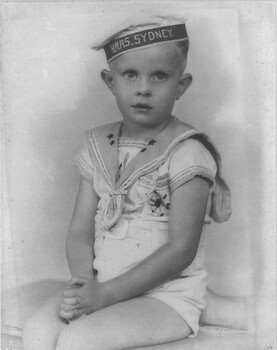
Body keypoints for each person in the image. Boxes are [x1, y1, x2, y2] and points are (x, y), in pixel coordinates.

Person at [23, 15, 232, 350]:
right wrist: (83, 286)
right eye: (130, 74)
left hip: (165, 298)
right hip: (102, 287)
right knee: (36, 333)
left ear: (181, 84)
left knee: (79, 341)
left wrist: (105, 296)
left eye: (160, 75)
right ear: (110, 81)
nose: (143, 88)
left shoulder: (187, 152)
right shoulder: (99, 145)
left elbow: (181, 250)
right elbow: (80, 230)